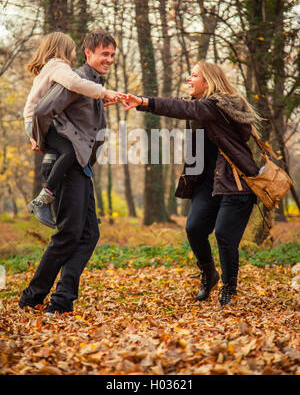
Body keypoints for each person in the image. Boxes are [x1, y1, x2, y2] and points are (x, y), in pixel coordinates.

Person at [119, 60, 262, 307]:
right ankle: (209, 274)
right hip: (208, 182)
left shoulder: (216, 106)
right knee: (194, 228)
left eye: (193, 75)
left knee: (225, 236)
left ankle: (229, 287)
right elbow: (182, 108)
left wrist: (142, 101)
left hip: (234, 180)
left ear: (208, 82)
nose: (188, 78)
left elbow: (183, 109)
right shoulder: (201, 107)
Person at [19, 29, 121, 316]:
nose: (109, 59)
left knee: (88, 234)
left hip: (80, 167)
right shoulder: (75, 80)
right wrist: (38, 140)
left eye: (112, 55)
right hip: (64, 166)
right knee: (70, 233)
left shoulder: (93, 84)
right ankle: (34, 297)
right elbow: (41, 111)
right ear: (87, 53)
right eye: (104, 54)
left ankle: (61, 298)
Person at [24, 31, 121, 228]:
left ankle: (82, 215)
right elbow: (74, 84)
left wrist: (100, 101)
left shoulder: (51, 68)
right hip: (37, 121)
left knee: (69, 151)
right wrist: (102, 92)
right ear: (64, 50)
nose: (75, 55)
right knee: (71, 151)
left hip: (36, 121)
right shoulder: (60, 66)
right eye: (73, 50)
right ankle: (42, 201)